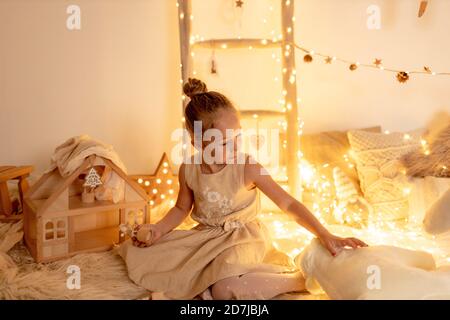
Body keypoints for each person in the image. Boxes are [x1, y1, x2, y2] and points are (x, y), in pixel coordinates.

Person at [119, 78, 367, 300]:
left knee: (222, 290)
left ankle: (300, 280)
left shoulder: (246, 166)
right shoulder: (189, 169)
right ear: (197, 142)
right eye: (226, 141)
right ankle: (213, 280)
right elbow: (181, 207)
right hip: (208, 237)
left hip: (243, 237)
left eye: (238, 136)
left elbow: (288, 204)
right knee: (156, 260)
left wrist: (324, 234)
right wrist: (158, 230)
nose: (236, 146)